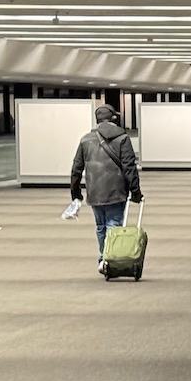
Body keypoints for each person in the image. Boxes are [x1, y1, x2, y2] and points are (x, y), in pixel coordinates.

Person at [71, 104, 143, 271]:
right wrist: (135, 192)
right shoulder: (122, 138)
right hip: (117, 190)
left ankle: (104, 257)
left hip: (94, 191)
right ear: (113, 119)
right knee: (114, 225)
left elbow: (76, 169)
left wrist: (76, 194)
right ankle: (110, 260)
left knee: (101, 226)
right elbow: (129, 167)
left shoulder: (86, 139)